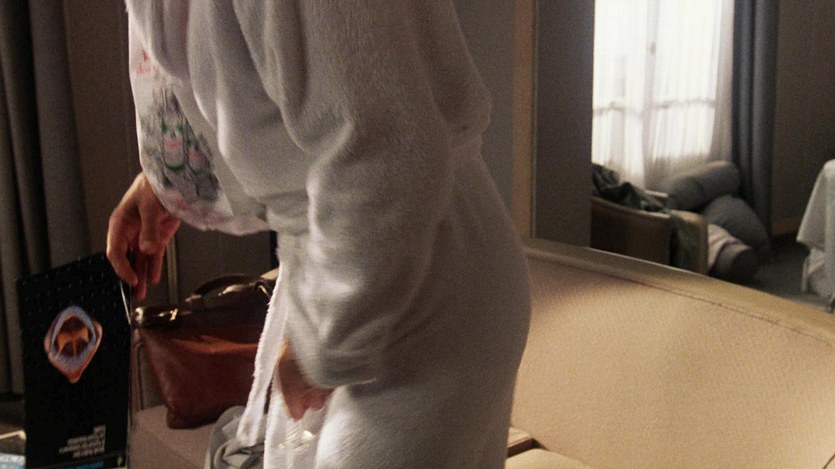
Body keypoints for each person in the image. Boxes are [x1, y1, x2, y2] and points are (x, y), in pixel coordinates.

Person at [108, 2, 531, 467]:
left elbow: (386, 155)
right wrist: (167, 181)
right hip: (376, 263)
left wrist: (323, 345)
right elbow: (236, 61)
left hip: (414, 278)